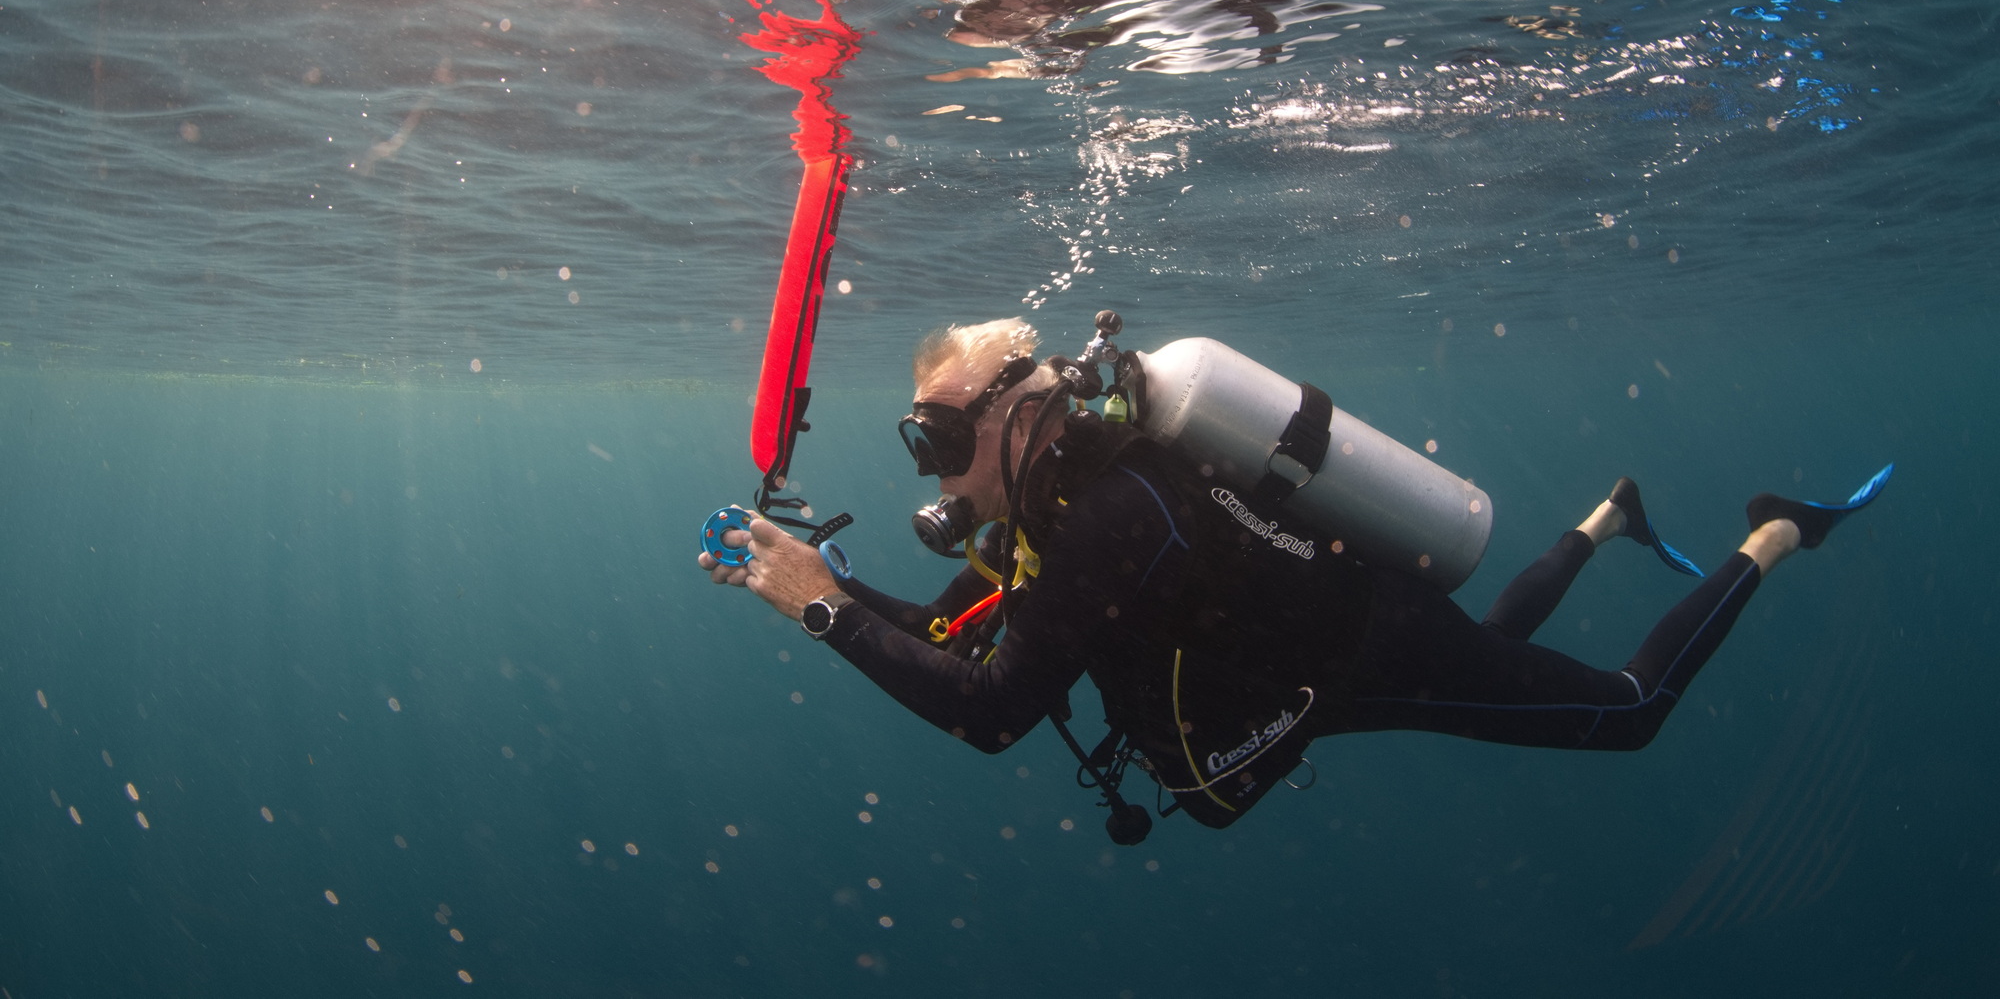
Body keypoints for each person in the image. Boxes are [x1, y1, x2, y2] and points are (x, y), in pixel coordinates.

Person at [698, 317, 1889, 837]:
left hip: (1351, 648)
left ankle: (1774, 533)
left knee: (1625, 717)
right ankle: (1605, 519)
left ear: (1021, 417)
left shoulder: (1108, 514)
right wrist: (823, 589)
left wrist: (817, 607)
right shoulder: (1046, 518)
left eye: (943, 442)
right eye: (921, 445)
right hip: (1307, 665)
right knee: (1481, 645)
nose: (934, 473)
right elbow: (965, 642)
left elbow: (992, 710)